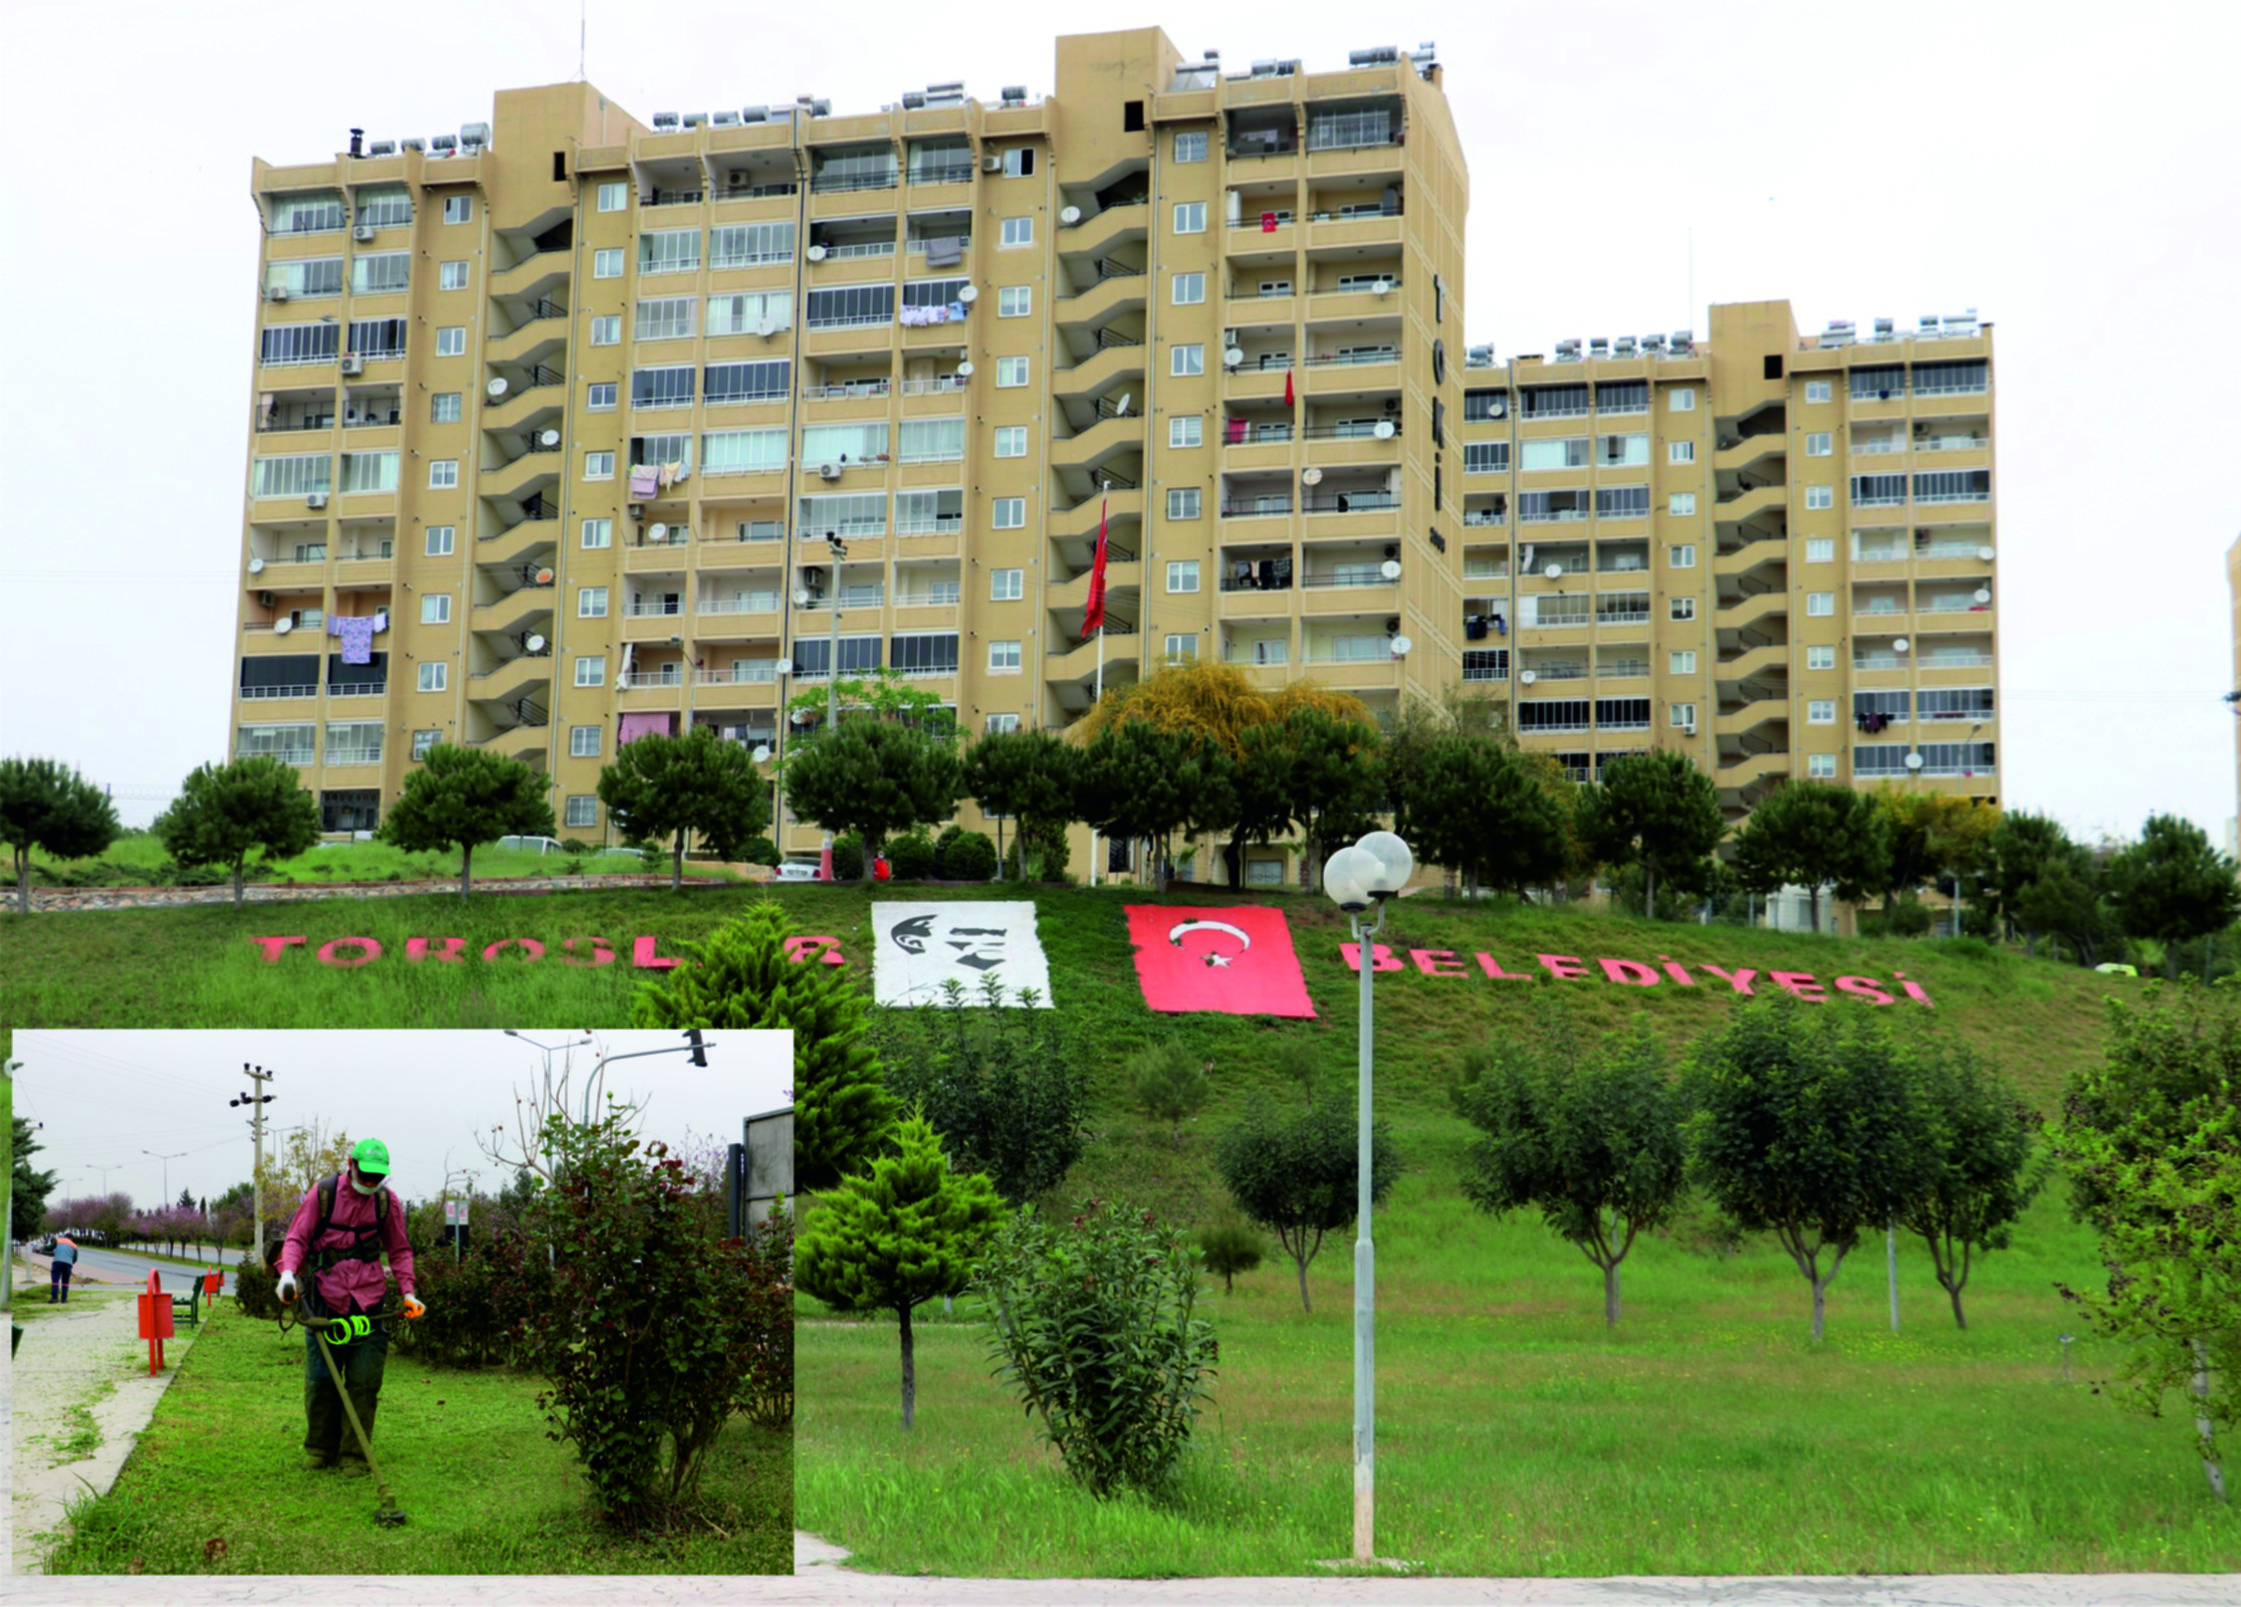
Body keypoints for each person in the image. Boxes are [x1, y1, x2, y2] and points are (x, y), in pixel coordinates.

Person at [276, 1139, 424, 1474]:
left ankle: (354, 1455)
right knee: (320, 1379)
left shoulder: (387, 1203)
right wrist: (287, 1273)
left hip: (370, 1301)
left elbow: (400, 1250)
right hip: (324, 1299)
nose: (371, 1182)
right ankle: (319, 1448)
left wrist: (408, 1293)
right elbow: (297, 1238)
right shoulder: (324, 1194)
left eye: (378, 1177)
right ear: (351, 1164)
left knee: (364, 1381)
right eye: (366, 1174)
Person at [48, 1234, 78, 1303]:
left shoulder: (58, 1240)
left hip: (57, 1262)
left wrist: (45, 1248)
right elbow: (75, 1258)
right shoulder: (74, 1245)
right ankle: (64, 1299)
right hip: (68, 1265)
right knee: (65, 1282)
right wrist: (70, 1263)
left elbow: (49, 1248)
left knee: (55, 1281)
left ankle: (54, 1298)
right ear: (71, 1238)